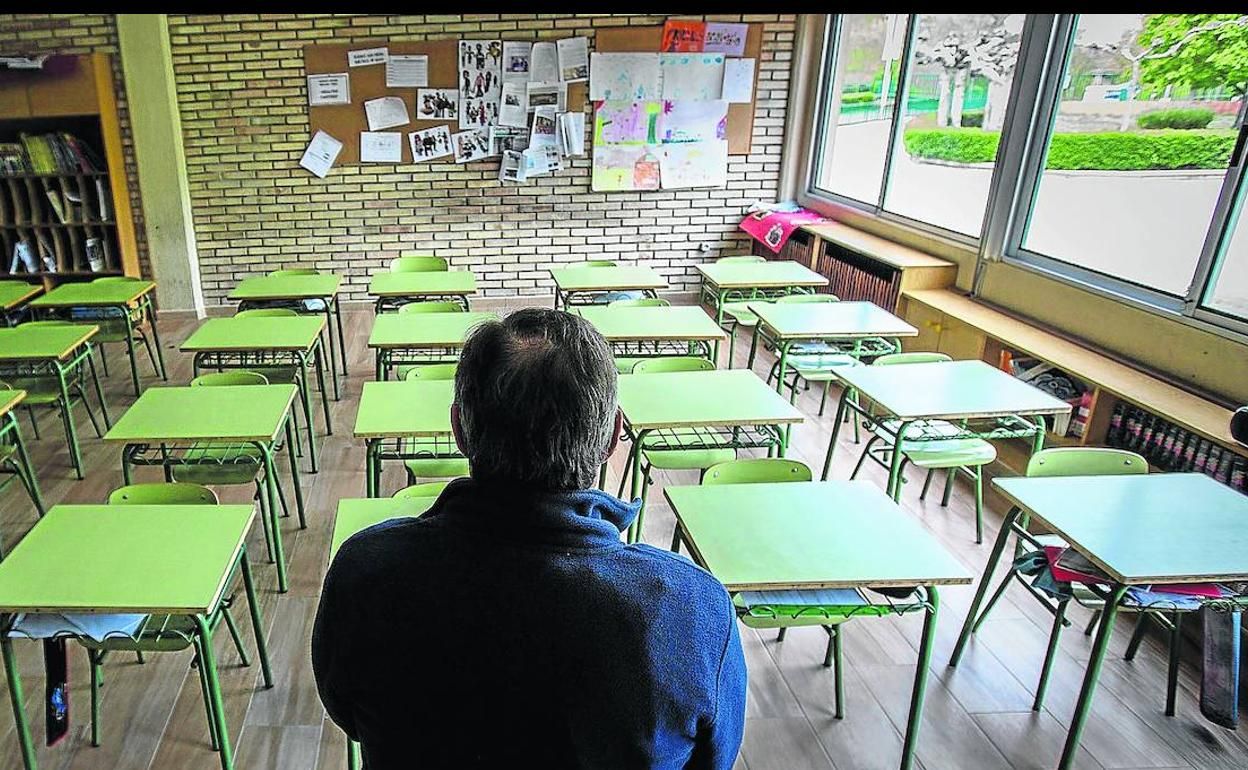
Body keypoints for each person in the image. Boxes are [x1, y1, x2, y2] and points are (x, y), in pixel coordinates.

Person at [312, 309, 747, 769]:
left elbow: (348, 713)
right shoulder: (693, 610)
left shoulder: (365, 574)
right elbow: (712, 760)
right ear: (613, 437)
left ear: (459, 429)